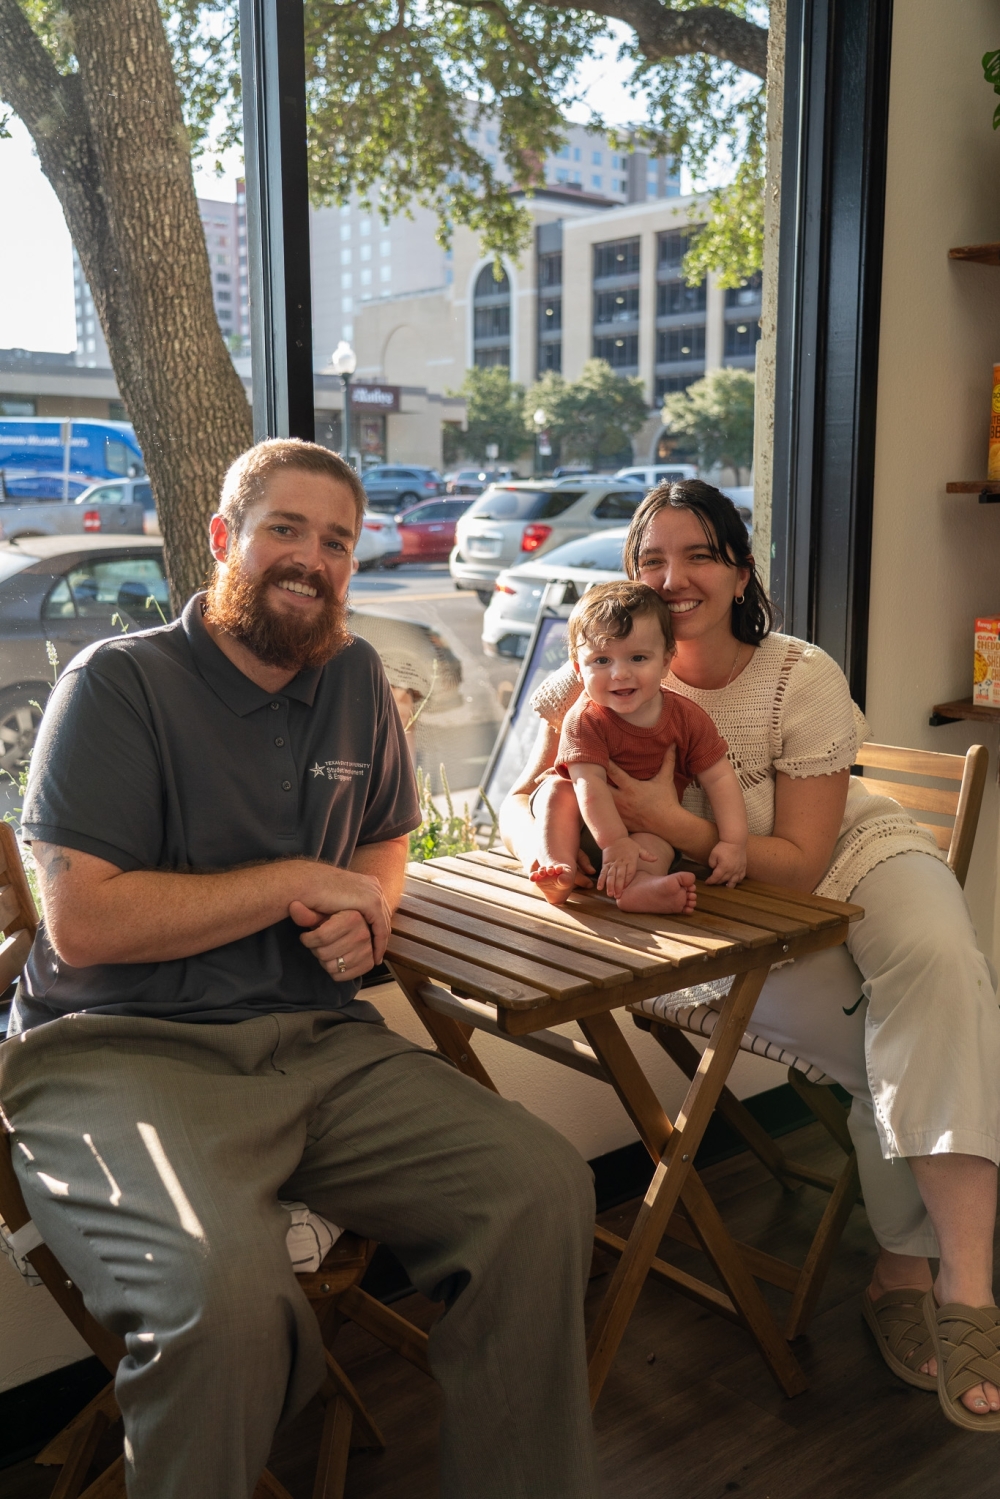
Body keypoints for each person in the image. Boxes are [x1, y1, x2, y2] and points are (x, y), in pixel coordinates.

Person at [0, 439, 602, 1499]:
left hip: (315, 1043)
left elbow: (382, 844)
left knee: (543, 1186)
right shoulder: (119, 682)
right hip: (115, 1051)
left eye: (337, 541)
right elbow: (82, 922)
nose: (313, 558)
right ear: (224, 539)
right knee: (218, 1300)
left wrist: (369, 914)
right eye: (286, 527)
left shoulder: (356, 675)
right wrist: (292, 879)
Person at [501, 478, 1000, 1433]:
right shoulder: (602, 667)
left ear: (738, 570)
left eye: (698, 555)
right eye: (652, 559)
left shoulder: (794, 675)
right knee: (888, 1051)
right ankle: (902, 1266)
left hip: (846, 857)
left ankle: (965, 1288)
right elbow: (525, 791)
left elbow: (804, 864)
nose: (673, 577)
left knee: (944, 970)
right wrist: (542, 843)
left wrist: (656, 818)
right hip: (736, 913)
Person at [531, 580, 746, 911]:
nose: (619, 674)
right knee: (555, 793)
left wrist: (733, 842)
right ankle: (558, 869)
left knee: (655, 847)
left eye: (637, 657)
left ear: (665, 661)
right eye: (602, 661)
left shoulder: (686, 717)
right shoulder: (585, 719)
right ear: (578, 668)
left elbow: (719, 778)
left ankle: (640, 889)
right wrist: (614, 842)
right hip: (582, 826)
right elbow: (588, 786)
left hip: (646, 827)